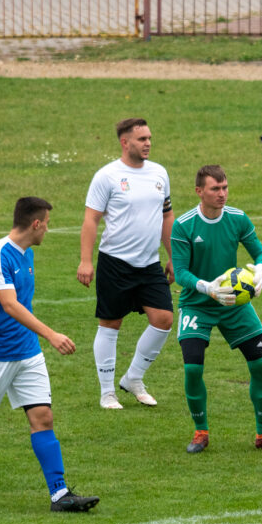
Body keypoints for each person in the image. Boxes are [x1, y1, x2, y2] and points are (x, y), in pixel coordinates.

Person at [0, 197, 99, 512]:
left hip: (27, 352)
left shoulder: (27, 253)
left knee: (43, 417)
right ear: (35, 224)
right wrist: (51, 335)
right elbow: (9, 304)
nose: (48, 231)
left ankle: (59, 495)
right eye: (47, 224)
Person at [170, 164, 262, 454]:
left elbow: (260, 254)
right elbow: (180, 273)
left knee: (260, 365)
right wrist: (208, 288)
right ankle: (201, 432)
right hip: (197, 304)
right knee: (193, 369)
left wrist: (260, 271)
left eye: (225, 188)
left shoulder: (237, 218)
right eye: (215, 189)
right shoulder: (183, 225)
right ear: (199, 191)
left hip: (234, 304)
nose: (222, 194)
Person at [77, 117, 174, 410]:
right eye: (142, 139)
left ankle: (133, 378)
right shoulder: (107, 176)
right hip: (115, 263)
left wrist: (173, 256)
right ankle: (107, 392)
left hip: (150, 264)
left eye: (149, 138)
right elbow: (91, 219)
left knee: (164, 319)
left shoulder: (159, 173)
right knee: (111, 324)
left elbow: (167, 216)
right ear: (125, 142)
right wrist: (85, 260)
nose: (148, 143)